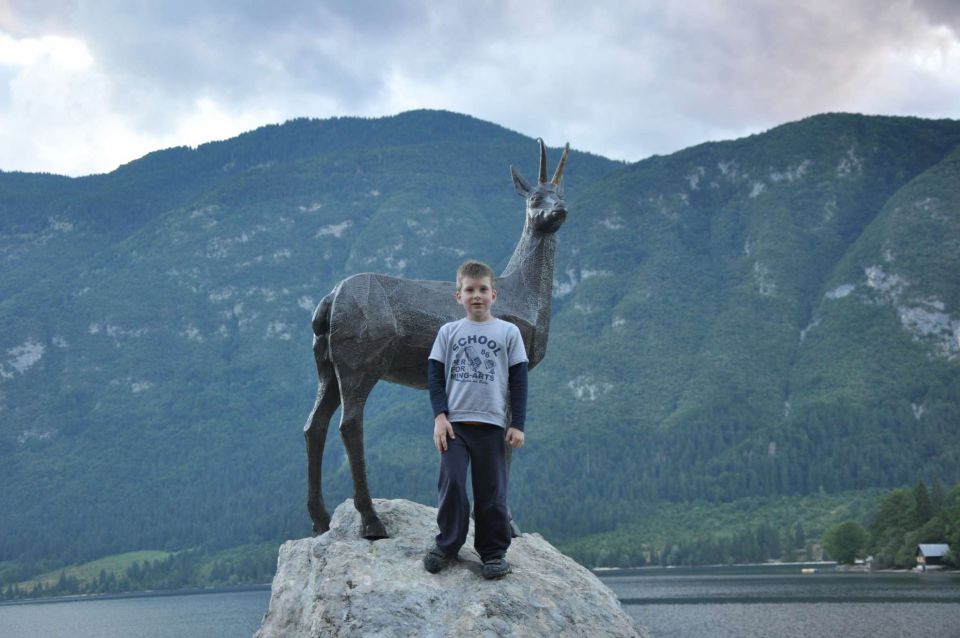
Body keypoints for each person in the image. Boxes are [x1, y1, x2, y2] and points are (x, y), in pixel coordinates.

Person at [424, 260, 528, 579]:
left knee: (492, 492)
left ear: (494, 294)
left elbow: (519, 380)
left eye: (483, 289)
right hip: (455, 428)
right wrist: (440, 416)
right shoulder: (449, 332)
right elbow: (435, 376)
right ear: (459, 296)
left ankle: (493, 553)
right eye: (469, 290)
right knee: (453, 483)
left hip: (492, 427)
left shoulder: (508, 332)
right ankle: (448, 544)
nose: (477, 295)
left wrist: (518, 424)